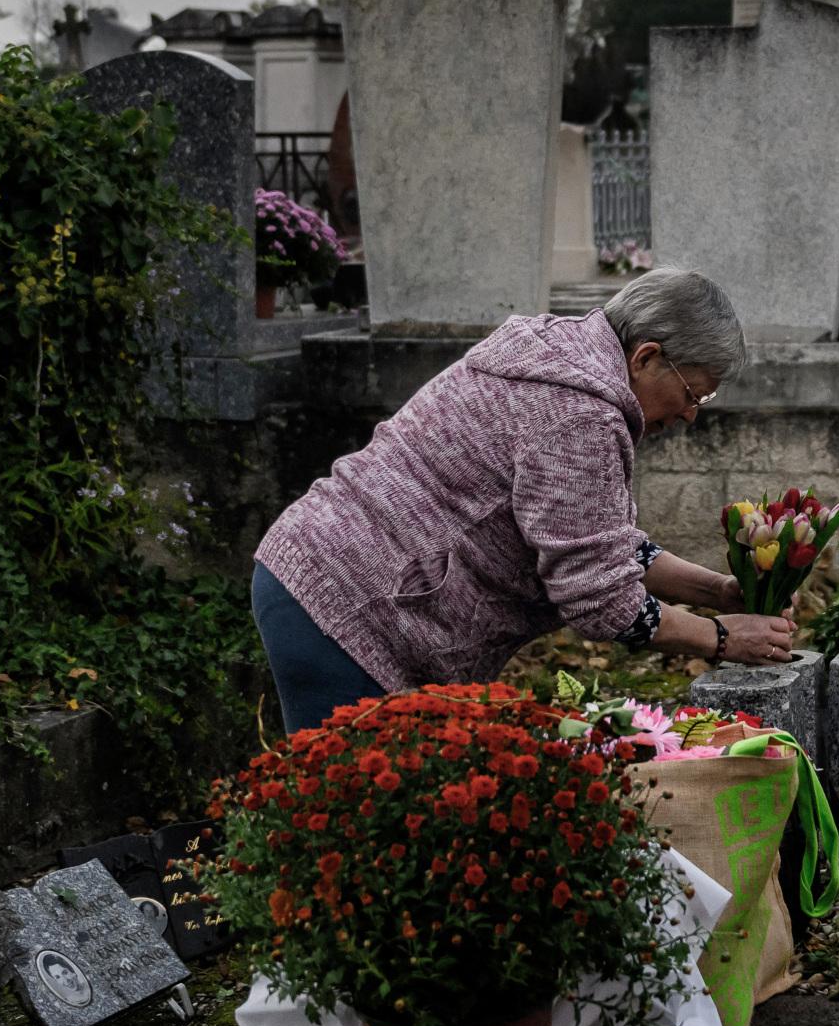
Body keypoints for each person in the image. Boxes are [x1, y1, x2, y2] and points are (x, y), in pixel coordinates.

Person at [247, 268, 794, 735]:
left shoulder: (561, 352)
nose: (691, 414)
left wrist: (718, 591)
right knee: (349, 828)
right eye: (694, 394)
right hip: (350, 607)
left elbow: (599, 545)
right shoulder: (580, 413)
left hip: (329, 577)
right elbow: (600, 600)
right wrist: (722, 638)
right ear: (647, 356)